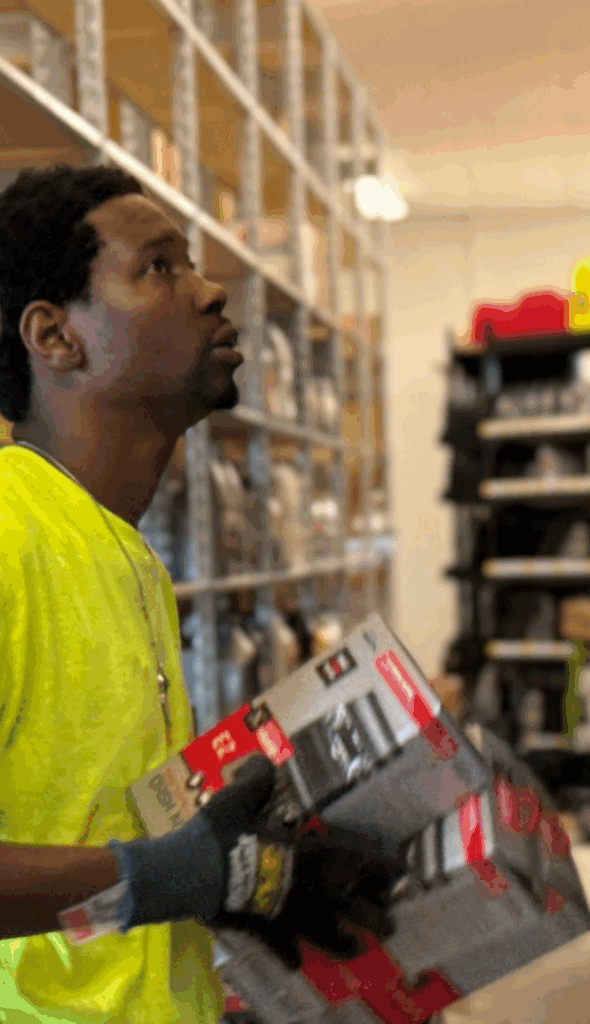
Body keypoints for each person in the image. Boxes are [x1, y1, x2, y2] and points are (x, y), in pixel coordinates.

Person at [0, 164, 393, 1023]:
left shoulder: (122, 553)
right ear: (56, 336)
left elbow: (83, 834)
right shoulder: (6, 531)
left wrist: (231, 880)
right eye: (160, 268)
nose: (213, 291)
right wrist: (169, 876)